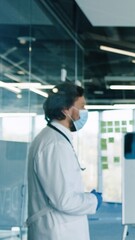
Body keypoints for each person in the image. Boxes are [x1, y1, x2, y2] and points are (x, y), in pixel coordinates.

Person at [26, 82, 102, 240]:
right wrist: (93, 200)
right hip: (58, 232)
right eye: (81, 106)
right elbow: (64, 200)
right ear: (65, 110)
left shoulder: (51, 139)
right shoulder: (55, 145)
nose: (84, 112)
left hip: (56, 229)